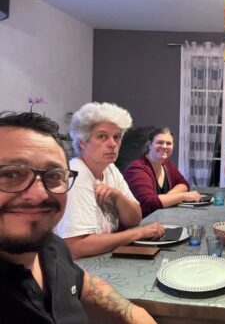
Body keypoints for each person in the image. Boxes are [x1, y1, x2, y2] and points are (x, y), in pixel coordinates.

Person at [0, 111, 156, 323]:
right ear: (82, 143)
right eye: (10, 174)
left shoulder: (51, 246)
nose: (38, 194)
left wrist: (131, 311)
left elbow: (81, 280)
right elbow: (78, 244)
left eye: (53, 176)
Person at [55, 103, 165, 259]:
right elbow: (75, 247)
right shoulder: (77, 174)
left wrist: (117, 196)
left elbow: (134, 218)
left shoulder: (110, 169)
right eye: (102, 136)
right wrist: (136, 234)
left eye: (117, 137)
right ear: (82, 142)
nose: (113, 144)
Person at [124, 127, 202, 217]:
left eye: (168, 143)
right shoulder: (136, 169)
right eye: (159, 142)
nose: (164, 146)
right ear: (149, 145)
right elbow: (148, 203)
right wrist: (183, 196)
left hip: (159, 219)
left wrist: (169, 197)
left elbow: (183, 183)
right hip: (140, 224)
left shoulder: (165, 164)